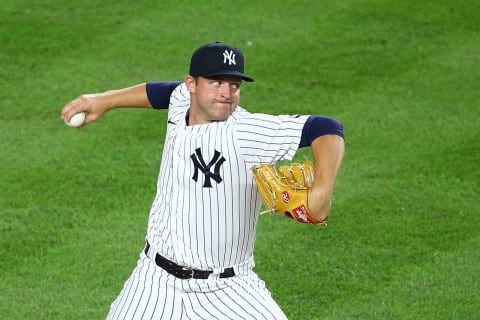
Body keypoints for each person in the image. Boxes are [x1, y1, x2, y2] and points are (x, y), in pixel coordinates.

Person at [61, 42, 345, 320]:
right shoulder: (181, 101)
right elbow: (160, 93)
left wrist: (322, 190)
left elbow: (326, 128)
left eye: (234, 85)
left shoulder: (246, 132)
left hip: (228, 288)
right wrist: (103, 100)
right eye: (216, 83)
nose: (226, 93)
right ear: (192, 84)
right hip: (154, 280)